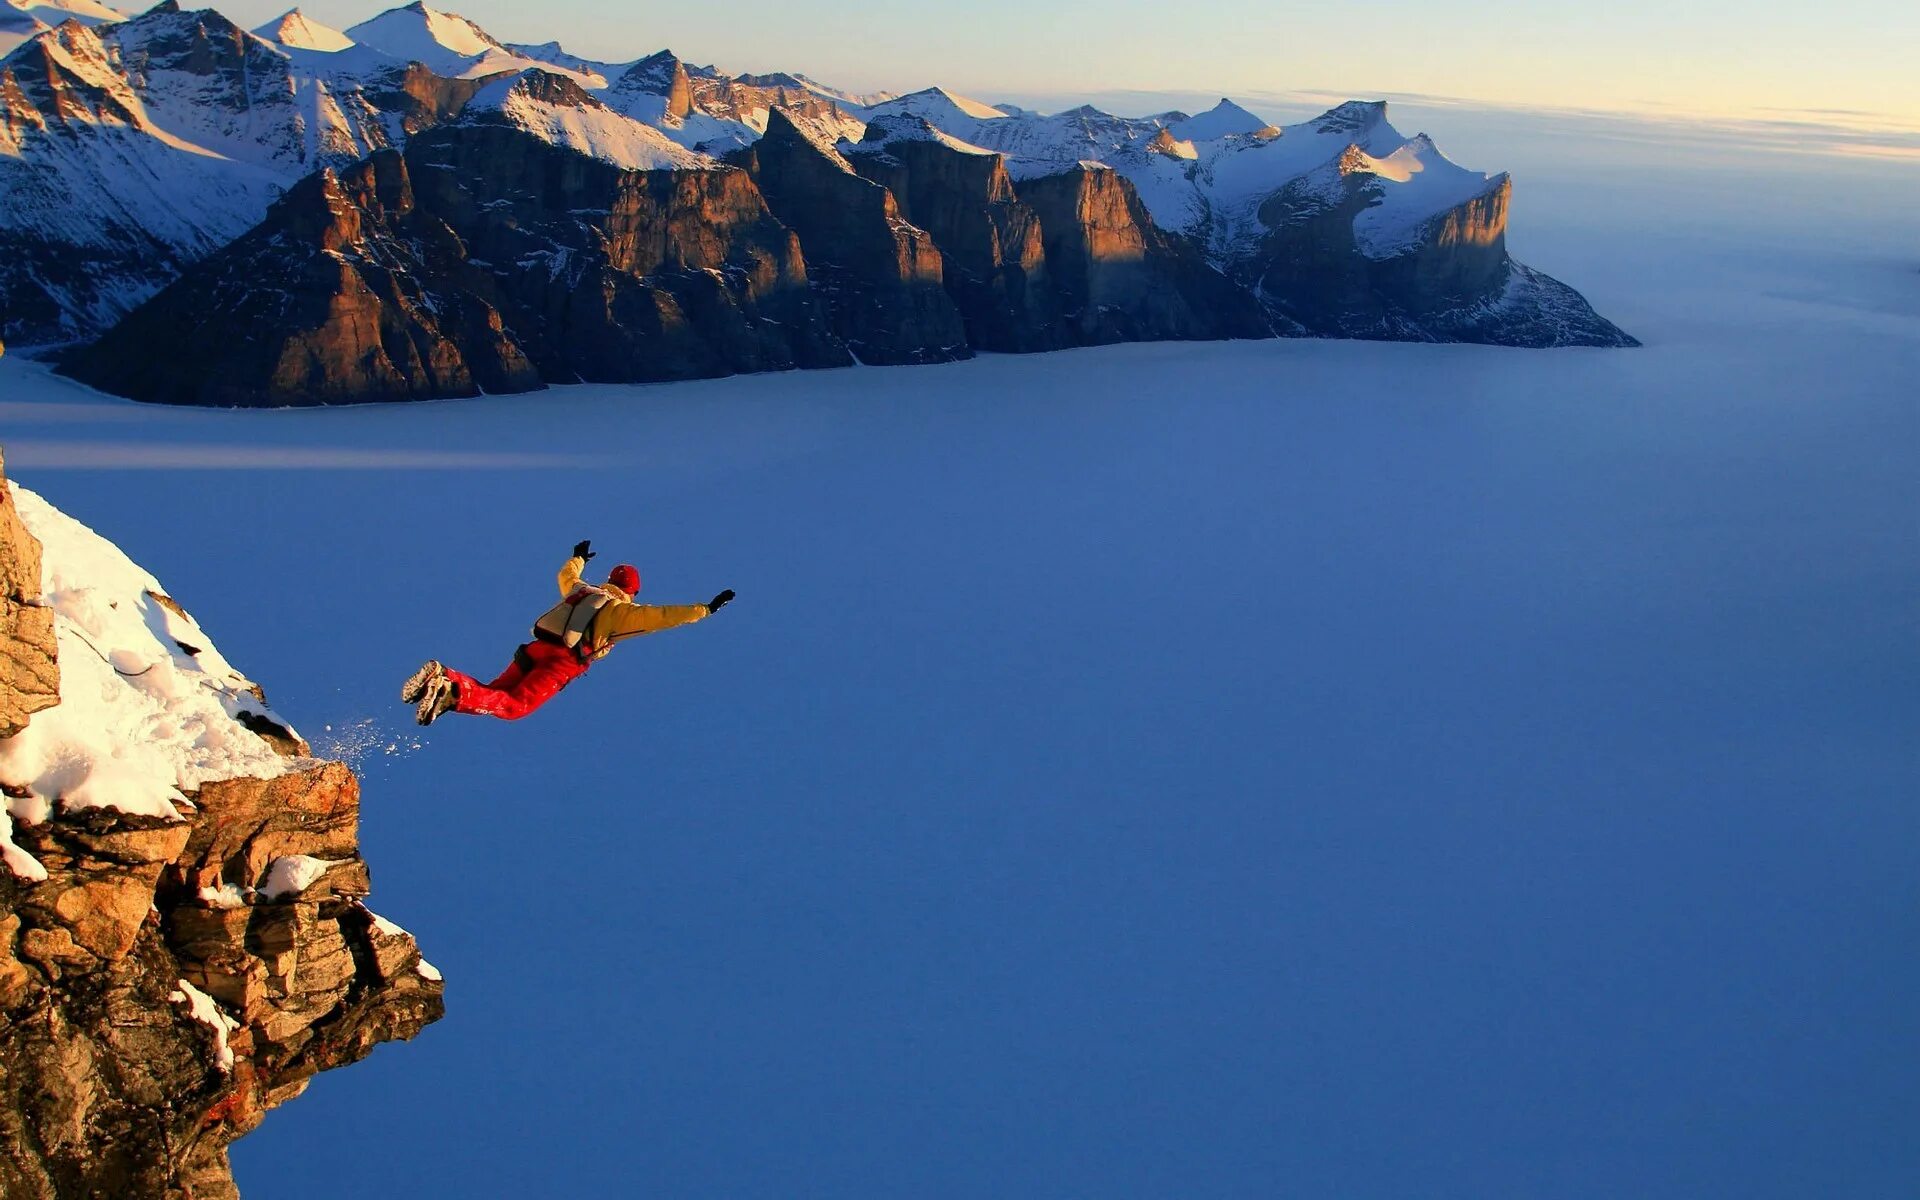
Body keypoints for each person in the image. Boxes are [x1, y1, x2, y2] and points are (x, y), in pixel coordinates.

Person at [403, 540, 734, 726]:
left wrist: (577, 558)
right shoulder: (623, 612)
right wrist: (705, 609)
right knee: (515, 707)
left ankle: (448, 680)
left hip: (534, 650)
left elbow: (566, 575)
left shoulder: (583, 591)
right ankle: (449, 691)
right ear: (632, 591)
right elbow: (663, 616)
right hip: (561, 663)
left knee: (496, 691)